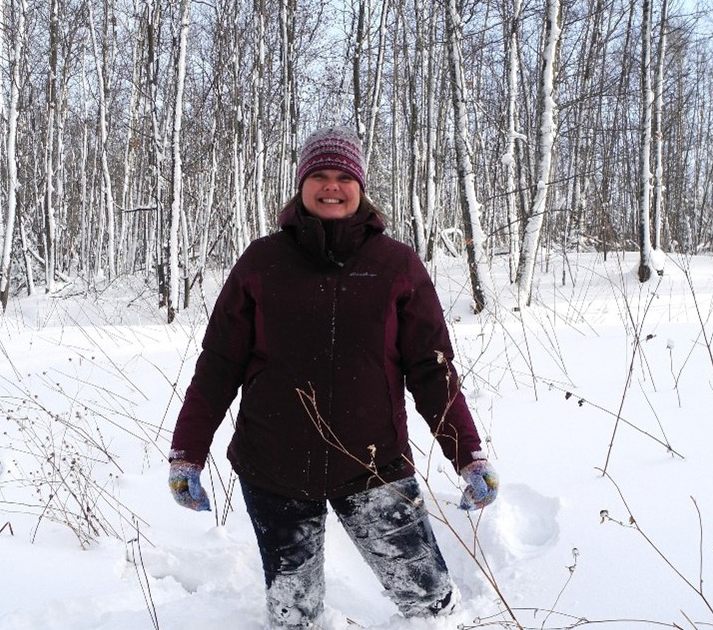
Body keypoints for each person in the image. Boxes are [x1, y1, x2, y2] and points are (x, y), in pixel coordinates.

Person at [168, 126, 499, 628]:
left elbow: (433, 370)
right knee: (294, 615)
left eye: (344, 176)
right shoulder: (262, 262)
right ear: (301, 184)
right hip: (274, 466)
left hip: (374, 465)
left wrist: (468, 455)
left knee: (430, 605)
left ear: (360, 187)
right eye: (319, 175)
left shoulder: (396, 265)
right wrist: (187, 454)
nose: (331, 186)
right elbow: (218, 365)